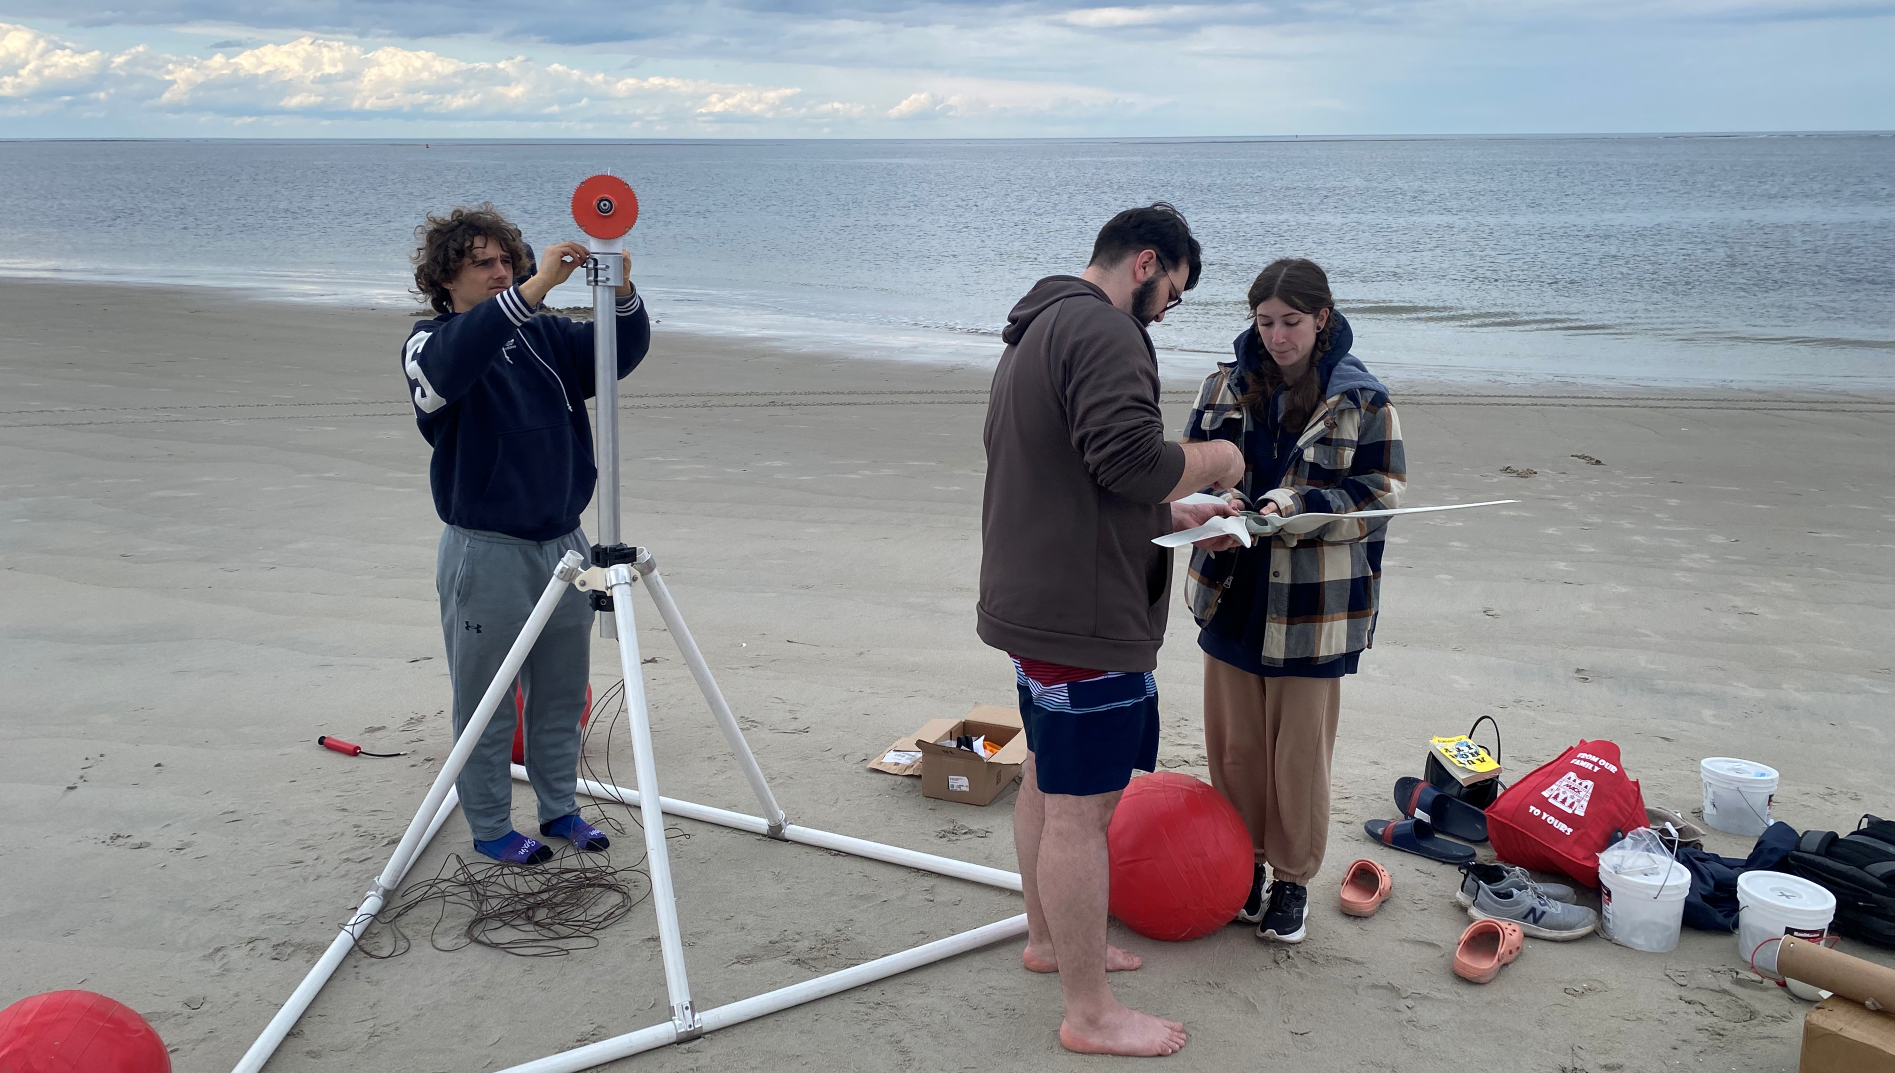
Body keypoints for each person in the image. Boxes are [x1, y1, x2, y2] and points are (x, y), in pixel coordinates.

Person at [979, 203, 1244, 1057]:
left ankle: (1048, 939)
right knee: (1080, 811)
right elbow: (1129, 457)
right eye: (1173, 291)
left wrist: (1173, 509)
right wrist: (1218, 459)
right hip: (1080, 617)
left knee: (1044, 781)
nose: (1168, 310)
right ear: (1144, 263)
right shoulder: (1102, 331)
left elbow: (1082, 475)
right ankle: (1086, 1012)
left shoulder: (1038, 326)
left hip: (1036, 598)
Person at [402, 203, 651, 865]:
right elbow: (449, 370)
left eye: (505, 260)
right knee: (486, 701)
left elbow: (616, 356)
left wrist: (620, 292)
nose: (498, 271)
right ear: (445, 279)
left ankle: (559, 808)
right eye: (481, 263)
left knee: (562, 693)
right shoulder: (429, 344)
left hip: (563, 544)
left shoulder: (544, 337)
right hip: (485, 550)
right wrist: (534, 286)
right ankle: (488, 824)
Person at [1179, 258, 1406, 944]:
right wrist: (1220, 504)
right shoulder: (1222, 383)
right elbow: (1190, 463)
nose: (1278, 337)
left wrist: (1294, 503)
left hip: (1313, 611)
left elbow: (1381, 496)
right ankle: (1240, 866)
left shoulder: (1363, 400)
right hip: (1229, 592)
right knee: (1236, 750)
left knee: (1296, 757)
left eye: (1291, 323)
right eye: (1265, 322)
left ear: (1322, 320)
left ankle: (1292, 880)